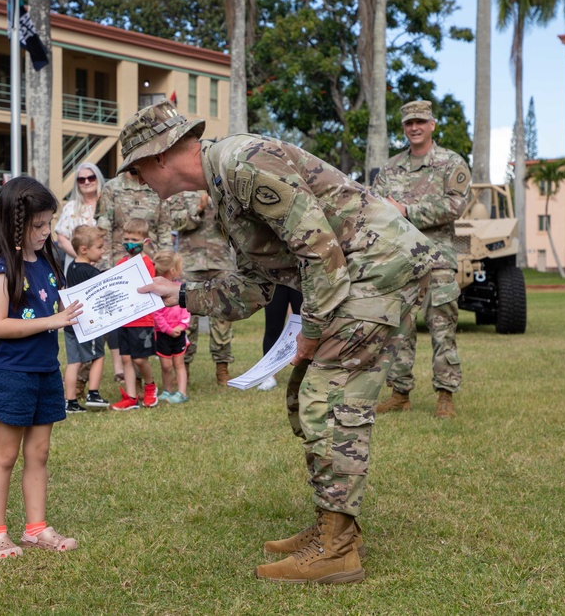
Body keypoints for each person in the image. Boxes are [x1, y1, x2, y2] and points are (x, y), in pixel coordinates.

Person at [126, 100, 438, 584]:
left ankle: (336, 549)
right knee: (317, 395)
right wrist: (182, 294)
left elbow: (320, 250)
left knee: (328, 398)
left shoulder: (242, 165)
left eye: (138, 170)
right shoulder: (226, 186)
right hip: (356, 274)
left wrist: (311, 333)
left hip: (374, 270)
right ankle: (332, 529)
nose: (138, 182)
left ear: (160, 156)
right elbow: (256, 284)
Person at [0, 176, 81, 559]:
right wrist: (52, 322)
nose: (46, 232)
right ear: (14, 224)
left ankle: (36, 528)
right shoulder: (2, 269)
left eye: (49, 223)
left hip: (46, 372)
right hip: (12, 375)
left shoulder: (48, 262)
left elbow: (61, 309)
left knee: (39, 454)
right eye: (38, 225)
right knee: (5, 455)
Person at [372, 100, 471, 419]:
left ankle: (445, 396)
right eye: (408, 123)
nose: (414, 127)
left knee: (443, 328)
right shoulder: (390, 168)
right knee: (397, 328)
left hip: (438, 258)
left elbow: (457, 206)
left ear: (432, 125)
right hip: (399, 260)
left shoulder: (450, 162)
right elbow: (376, 208)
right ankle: (399, 393)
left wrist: (407, 211)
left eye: (420, 122)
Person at [95, 166, 171, 389]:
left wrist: (164, 268)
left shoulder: (158, 187)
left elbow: (165, 229)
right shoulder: (112, 188)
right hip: (120, 268)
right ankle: (129, 378)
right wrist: (106, 269)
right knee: (123, 325)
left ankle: (161, 372)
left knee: (150, 323)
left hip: (150, 267)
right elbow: (104, 228)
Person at [159, 190, 236, 386]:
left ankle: (222, 368)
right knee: (187, 317)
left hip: (221, 262)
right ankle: (184, 368)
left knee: (223, 316)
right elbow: (175, 223)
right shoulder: (182, 193)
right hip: (191, 264)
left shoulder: (222, 187)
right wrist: (198, 208)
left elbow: (236, 222)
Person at [55, 162, 106, 396]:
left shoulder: (107, 203)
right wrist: (82, 257)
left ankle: (72, 396)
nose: (86, 182)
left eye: (90, 178)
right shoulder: (71, 208)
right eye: (81, 179)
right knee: (90, 336)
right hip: (79, 268)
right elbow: (61, 236)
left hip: (101, 269)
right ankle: (85, 388)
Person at [110, 218, 159, 411]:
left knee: (140, 359)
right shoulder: (120, 263)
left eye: (134, 239)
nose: (129, 243)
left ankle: (150, 386)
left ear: (145, 241)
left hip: (142, 320)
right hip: (124, 319)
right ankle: (131, 397)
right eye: (126, 238)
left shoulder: (147, 263)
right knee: (126, 359)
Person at [62, 226, 109, 412]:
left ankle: (70, 402)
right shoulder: (91, 272)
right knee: (98, 356)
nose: (102, 251)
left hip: (70, 323)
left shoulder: (71, 268)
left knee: (74, 362)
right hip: (87, 324)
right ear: (84, 249)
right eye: (99, 247)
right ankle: (94, 394)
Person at [152, 251, 190, 404]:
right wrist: (168, 329)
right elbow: (157, 314)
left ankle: (182, 393)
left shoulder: (181, 289)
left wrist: (181, 327)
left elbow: (186, 310)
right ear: (173, 270)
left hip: (179, 333)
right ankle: (167, 390)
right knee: (166, 366)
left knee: (179, 364)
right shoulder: (156, 291)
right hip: (163, 335)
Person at [257, 286, 303, 391]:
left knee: (304, 326)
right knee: (273, 328)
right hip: (276, 279)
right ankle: (269, 375)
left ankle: (304, 373)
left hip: (301, 278)